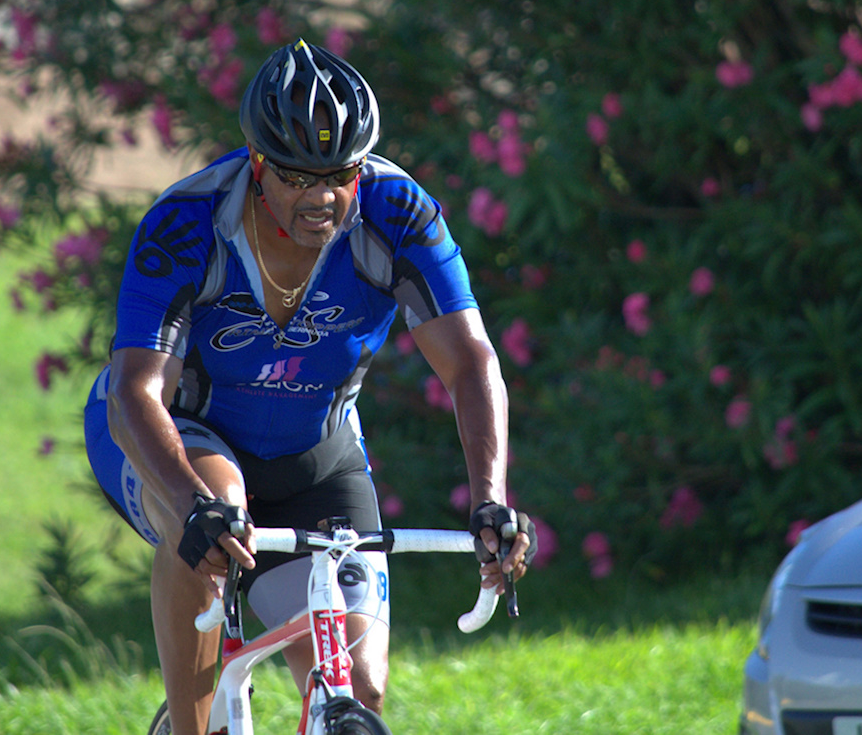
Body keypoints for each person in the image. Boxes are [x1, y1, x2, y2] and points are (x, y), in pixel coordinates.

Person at [84, 39, 535, 735]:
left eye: (340, 174)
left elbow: (471, 362)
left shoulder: (398, 213)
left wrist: (491, 499)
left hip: (316, 453)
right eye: (297, 176)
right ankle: (190, 727)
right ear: (258, 164)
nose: (323, 196)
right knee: (211, 510)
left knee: (359, 688)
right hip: (178, 435)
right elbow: (134, 392)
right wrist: (189, 502)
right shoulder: (186, 223)